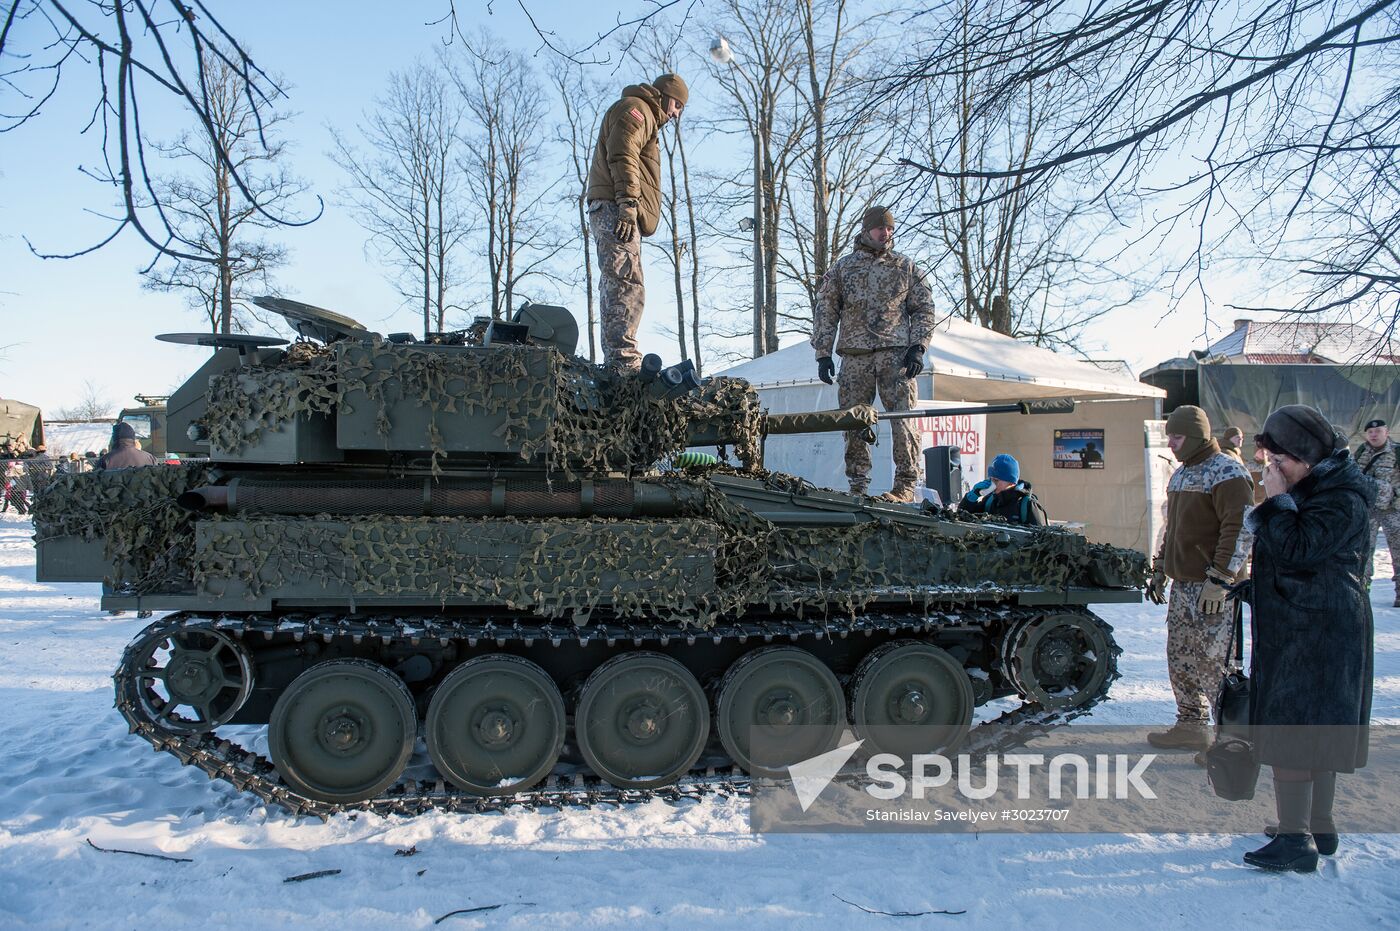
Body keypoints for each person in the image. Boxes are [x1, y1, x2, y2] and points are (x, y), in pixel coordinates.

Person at [1242, 404, 1373, 872]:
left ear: (1304, 456)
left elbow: (1299, 548)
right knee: (1314, 725)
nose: (1273, 470)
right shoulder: (1325, 486)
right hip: (1310, 622)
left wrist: (1274, 500)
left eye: (1279, 462)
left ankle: (1296, 839)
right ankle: (1316, 823)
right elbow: (1300, 557)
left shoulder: (1341, 495)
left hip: (1318, 629)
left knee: (1296, 727)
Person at [1145, 405, 1253, 751]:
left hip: (1212, 589)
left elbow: (1240, 528)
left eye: (1177, 436)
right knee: (1180, 656)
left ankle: (1230, 739)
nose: (1171, 443)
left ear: (1196, 436)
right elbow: (1173, 528)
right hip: (1183, 584)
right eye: (1170, 436)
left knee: (1215, 662)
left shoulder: (1226, 471)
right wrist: (1161, 566)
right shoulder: (1181, 473)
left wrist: (1220, 579)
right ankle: (1190, 724)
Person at [810, 205, 936, 502]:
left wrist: (918, 347)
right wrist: (823, 353)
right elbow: (826, 309)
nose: (886, 233)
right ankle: (858, 484)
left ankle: (905, 484)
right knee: (853, 421)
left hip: (896, 355)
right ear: (867, 230)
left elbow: (924, 309)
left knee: (902, 419)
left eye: (890, 229)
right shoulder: (843, 267)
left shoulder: (905, 267)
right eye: (881, 228)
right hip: (855, 355)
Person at [585, 72, 688, 373]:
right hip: (618, 207)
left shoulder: (643, 115)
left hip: (616, 205)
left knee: (619, 278)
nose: (677, 114)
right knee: (625, 279)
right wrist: (629, 204)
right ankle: (622, 358)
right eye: (678, 105)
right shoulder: (637, 110)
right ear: (668, 96)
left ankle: (618, 354)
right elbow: (623, 152)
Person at [1353, 417, 1400, 604]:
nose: (1374, 434)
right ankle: (1362, 592)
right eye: (1370, 432)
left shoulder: (1396, 451)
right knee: (1363, 553)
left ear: (1386, 432)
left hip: (1392, 510)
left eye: (1378, 431)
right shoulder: (1361, 452)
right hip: (1368, 510)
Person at [958, 453, 1047, 526]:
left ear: (1011, 482)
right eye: (990, 479)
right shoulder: (990, 501)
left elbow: (1044, 539)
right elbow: (961, 517)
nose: (992, 483)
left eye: (996, 480)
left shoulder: (1026, 505)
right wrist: (972, 496)